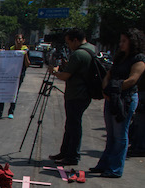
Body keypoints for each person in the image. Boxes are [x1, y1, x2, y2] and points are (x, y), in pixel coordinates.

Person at [90, 29, 145, 177]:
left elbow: (133, 79)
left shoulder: (139, 59)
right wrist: (106, 88)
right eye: (120, 41)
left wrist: (115, 89)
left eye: (124, 41)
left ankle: (115, 168)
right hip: (112, 98)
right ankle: (104, 164)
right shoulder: (120, 57)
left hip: (125, 99)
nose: (121, 44)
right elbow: (109, 74)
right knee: (111, 134)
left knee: (120, 134)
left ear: (133, 42)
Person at [48, 29, 97, 166]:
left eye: (69, 42)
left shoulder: (79, 54)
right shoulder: (92, 49)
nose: (68, 46)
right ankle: (66, 152)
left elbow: (65, 76)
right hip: (83, 94)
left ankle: (72, 155)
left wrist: (55, 72)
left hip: (77, 94)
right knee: (71, 124)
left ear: (75, 40)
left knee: (74, 125)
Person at [0, 34, 30, 119]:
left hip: (18, 75)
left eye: (20, 39)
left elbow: (28, 64)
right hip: (8, 74)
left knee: (14, 93)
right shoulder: (11, 49)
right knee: (3, 91)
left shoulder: (26, 50)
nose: (18, 41)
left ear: (23, 40)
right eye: (16, 39)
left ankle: (11, 111)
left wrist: (25, 55)